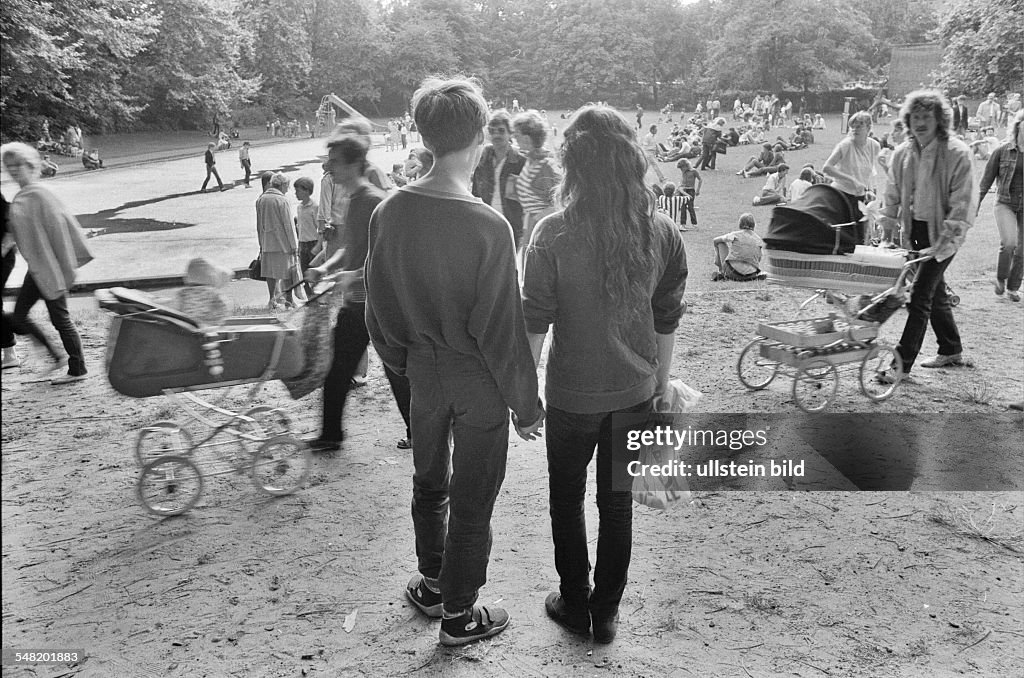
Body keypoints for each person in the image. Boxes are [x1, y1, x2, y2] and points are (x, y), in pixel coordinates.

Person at [364, 77, 543, 647]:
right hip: (477, 378)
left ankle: (434, 580)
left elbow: (379, 309)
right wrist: (526, 404)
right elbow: (501, 330)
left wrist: (406, 364)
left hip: (422, 370)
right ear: (478, 136)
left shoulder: (390, 211)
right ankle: (460, 614)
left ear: (424, 132)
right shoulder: (489, 226)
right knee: (473, 495)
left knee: (428, 481)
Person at [521, 104, 687, 644]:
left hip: (572, 395)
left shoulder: (552, 232)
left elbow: (535, 323)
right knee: (615, 504)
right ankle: (606, 613)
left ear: (572, 165)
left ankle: (574, 602)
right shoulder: (661, 231)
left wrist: (524, 397)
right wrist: (660, 384)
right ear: (630, 162)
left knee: (566, 500)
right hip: (636, 391)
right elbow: (667, 315)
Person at [876, 90, 977, 383]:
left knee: (919, 295)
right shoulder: (902, 153)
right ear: (908, 120)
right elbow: (892, 193)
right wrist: (887, 229)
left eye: (926, 116)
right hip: (915, 232)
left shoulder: (957, 152)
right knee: (934, 290)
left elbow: (963, 200)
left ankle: (900, 365)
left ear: (939, 119)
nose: (920, 122)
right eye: (915, 117)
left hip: (945, 234)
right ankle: (951, 348)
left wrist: (946, 238)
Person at [304, 133, 386, 452]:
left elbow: (385, 257)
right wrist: (326, 269)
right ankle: (331, 434)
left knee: (398, 372)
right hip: (357, 302)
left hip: (373, 304)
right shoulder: (353, 198)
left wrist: (351, 276)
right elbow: (351, 248)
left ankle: (331, 435)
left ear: (354, 164)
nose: (328, 166)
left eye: (335, 161)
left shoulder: (372, 200)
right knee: (340, 370)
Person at [0, 142, 92, 383]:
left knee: (59, 318)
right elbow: (16, 231)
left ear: (31, 166)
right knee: (20, 316)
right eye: (9, 167)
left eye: (17, 165)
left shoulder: (39, 194)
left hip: (50, 267)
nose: (13, 171)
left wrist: (60, 263)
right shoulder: (24, 195)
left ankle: (77, 369)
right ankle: (58, 357)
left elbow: (60, 229)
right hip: (38, 268)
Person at [978, 111, 1023, 301]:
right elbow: (985, 181)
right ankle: (1000, 279)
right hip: (1005, 203)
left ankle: (1013, 288)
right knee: (1010, 243)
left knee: (1023, 250)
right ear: (1018, 126)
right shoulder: (1002, 151)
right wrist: (974, 206)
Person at [471, 109, 526, 247]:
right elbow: (475, 192)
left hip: (511, 224)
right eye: (492, 130)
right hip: (486, 222)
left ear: (510, 133)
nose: (496, 135)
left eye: (501, 131)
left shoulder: (520, 161)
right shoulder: (482, 159)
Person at [513, 110, 561, 258]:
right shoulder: (531, 160)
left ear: (527, 139)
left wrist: (536, 219)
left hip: (543, 229)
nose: (514, 138)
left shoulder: (545, 166)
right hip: (530, 225)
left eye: (517, 135)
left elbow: (558, 204)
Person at [823, 111, 880, 226]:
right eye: (852, 127)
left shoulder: (874, 146)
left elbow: (868, 170)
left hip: (859, 196)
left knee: (859, 233)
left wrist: (868, 190)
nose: (855, 129)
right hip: (841, 194)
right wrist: (851, 180)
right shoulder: (845, 145)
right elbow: (827, 168)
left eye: (859, 126)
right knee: (843, 230)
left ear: (868, 128)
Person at [255, 172, 299, 308]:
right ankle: (289, 299)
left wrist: (261, 243)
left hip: (267, 242)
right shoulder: (282, 200)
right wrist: (294, 244)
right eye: (287, 185)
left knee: (270, 273)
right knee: (288, 272)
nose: (288, 189)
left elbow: (259, 224)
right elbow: (289, 225)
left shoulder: (261, 199)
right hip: (283, 242)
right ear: (282, 185)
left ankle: (272, 299)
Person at [174, 257, 231, 327]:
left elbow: (176, 310)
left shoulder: (182, 294)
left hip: (188, 330)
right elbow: (224, 310)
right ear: (211, 277)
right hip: (210, 329)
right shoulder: (214, 294)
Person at [712, 213, 765, 281]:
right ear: (754, 225)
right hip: (751, 274)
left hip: (733, 272)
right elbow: (759, 259)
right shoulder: (758, 239)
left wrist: (717, 261)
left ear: (740, 224)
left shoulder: (735, 235)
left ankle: (721, 270)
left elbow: (715, 240)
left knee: (720, 243)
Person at [293, 177, 319, 273]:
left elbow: (319, 228)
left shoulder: (314, 207)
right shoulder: (299, 207)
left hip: (312, 242)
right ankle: (308, 288)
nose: (296, 194)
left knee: (314, 271)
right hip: (302, 243)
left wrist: (319, 245)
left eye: (298, 191)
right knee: (304, 273)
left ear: (307, 191)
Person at [675, 158, 702, 228]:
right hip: (683, 190)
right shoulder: (683, 172)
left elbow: (700, 179)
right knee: (683, 208)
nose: (681, 170)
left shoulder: (693, 171)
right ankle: (682, 224)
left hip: (690, 190)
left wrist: (698, 190)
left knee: (690, 207)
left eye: (682, 168)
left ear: (686, 166)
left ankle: (694, 223)